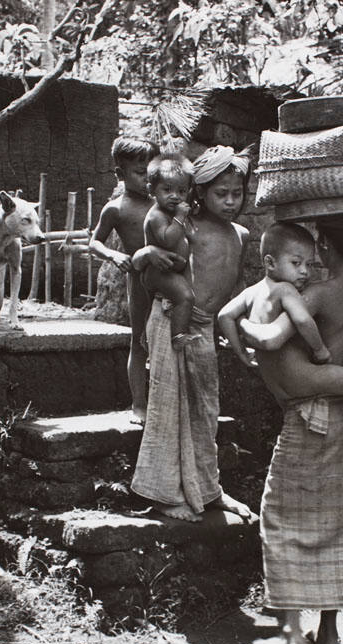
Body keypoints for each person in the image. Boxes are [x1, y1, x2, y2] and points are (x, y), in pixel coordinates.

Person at [237, 213, 343, 644]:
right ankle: (328, 635)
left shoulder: (321, 294)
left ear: (324, 247)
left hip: (311, 416)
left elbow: (271, 339)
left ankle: (289, 631)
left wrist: (239, 325)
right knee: (339, 525)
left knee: (284, 516)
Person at [130, 145, 253, 522]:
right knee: (168, 405)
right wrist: (146, 254)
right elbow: (143, 267)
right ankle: (164, 493)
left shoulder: (242, 234)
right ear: (199, 192)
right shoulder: (186, 228)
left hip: (203, 329)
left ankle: (208, 489)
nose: (231, 202)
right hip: (173, 320)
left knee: (205, 410)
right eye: (221, 193)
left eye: (237, 193)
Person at [218, 222, 343, 476]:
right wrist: (319, 350)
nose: (305, 272)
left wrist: (241, 330)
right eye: (298, 264)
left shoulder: (314, 293)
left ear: (324, 245)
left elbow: (258, 333)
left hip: (308, 404)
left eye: (309, 263)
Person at [89, 136, 159, 425]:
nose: (148, 179)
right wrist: (114, 256)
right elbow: (94, 243)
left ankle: (168, 400)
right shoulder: (116, 208)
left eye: (153, 172)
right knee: (139, 343)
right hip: (140, 281)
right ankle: (139, 404)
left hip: (171, 278)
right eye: (140, 174)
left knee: (171, 339)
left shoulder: (164, 203)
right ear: (120, 174)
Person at [142, 153, 202, 350]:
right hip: (158, 272)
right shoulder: (157, 215)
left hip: (171, 270)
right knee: (186, 297)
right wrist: (180, 217)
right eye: (167, 190)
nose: (175, 196)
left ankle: (151, 334)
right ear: (152, 189)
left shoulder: (171, 211)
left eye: (182, 191)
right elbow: (167, 239)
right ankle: (178, 337)